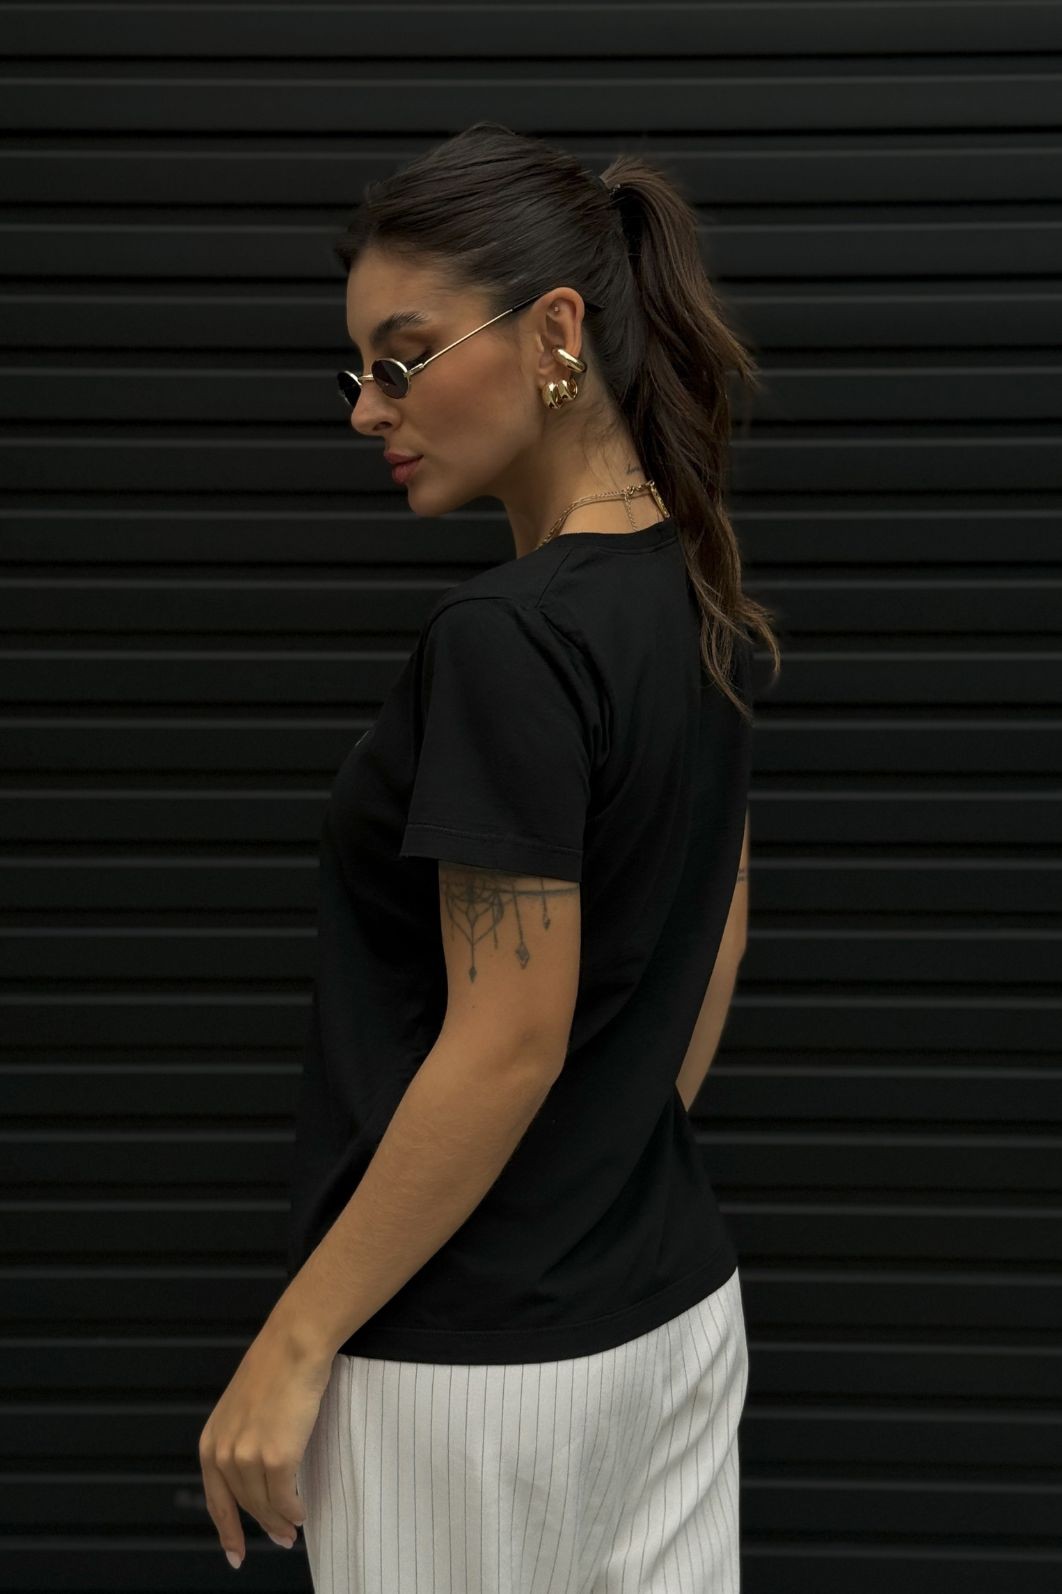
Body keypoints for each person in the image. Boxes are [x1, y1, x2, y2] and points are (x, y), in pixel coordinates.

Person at [198, 119, 781, 1591]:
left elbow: (508, 1037)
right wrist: (598, 1164)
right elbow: (718, 914)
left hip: (469, 1374)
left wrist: (292, 1342)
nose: (367, 410)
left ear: (555, 333)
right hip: (670, 1317)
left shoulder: (508, 638)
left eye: (402, 361)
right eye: (357, 372)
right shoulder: (688, 586)